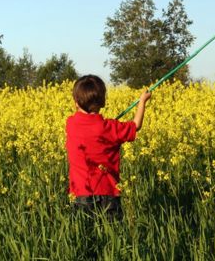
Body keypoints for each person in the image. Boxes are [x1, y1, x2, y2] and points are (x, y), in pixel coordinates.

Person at [65, 74, 151, 218]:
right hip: (109, 193)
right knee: (111, 235)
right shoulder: (110, 127)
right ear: (103, 102)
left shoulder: (71, 124)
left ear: (76, 102)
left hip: (80, 194)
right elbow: (136, 125)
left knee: (85, 237)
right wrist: (142, 101)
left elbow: (87, 123)